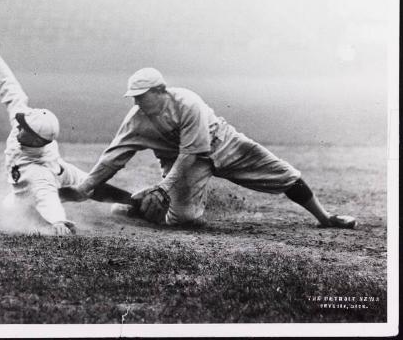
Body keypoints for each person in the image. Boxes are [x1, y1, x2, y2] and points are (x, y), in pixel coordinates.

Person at [76, 67, 357, 229]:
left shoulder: (187, 103)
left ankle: (326, 218)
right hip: (187, 162)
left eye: (142, 96)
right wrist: (84, 187)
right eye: (133, 97)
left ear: (161, 91)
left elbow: (193, 150)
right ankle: (133, 207)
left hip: (223, 144)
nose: (137, 102)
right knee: (184, 220)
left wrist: (165, 186)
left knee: (285, 174)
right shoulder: (137, 120)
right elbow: (113, 157)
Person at [0, 35, 133, 235]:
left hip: (48, 175)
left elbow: (46, 196)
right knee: (13, 207)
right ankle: (125, 200)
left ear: (37, 140)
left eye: (24, 127)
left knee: (83, 185)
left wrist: (58, 221)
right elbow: (11, 92)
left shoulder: (37, 172)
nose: (19, 127)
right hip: (51, 175)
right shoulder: (28, 130)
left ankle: (135, 202)